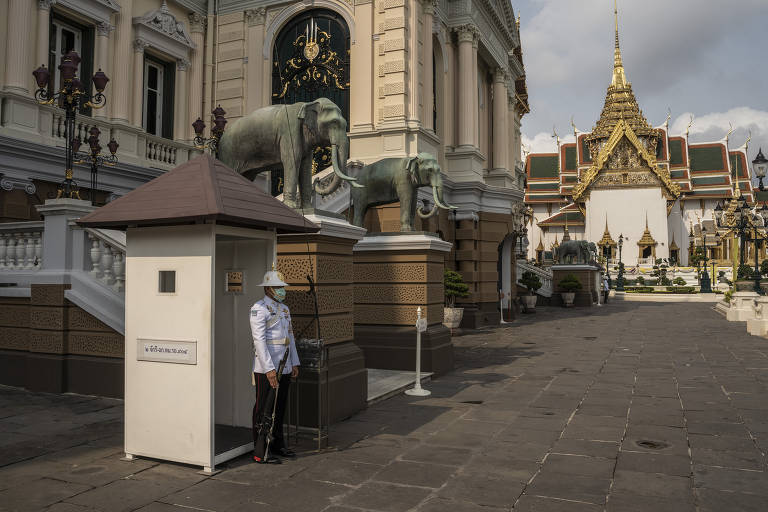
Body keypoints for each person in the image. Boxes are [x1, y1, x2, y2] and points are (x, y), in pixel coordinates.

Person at [250, 267, 300, 464]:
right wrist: (269, 369)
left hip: (285, 364)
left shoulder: (284, 309)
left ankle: (278, 444)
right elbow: (259, 341)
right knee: (264, 408)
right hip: (267, 367)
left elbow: (290, 338)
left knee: (279, 408)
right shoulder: (259, 308)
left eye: (282, 286)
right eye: (278, 287)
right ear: (268, 289)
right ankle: (261, 450)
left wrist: (294, 362)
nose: (282, 290)